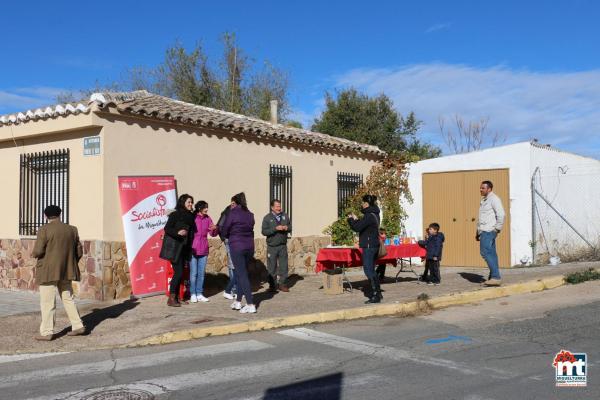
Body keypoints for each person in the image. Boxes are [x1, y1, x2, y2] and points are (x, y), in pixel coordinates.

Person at [31, 205, 86, 340]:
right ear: (60, 214)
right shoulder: (72, 230)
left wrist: (33, 254)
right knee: (68, 298)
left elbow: (38, 251)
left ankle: (47, 332)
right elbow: (79, 252)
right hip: (67, 270)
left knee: (47, 301)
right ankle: (78, 326)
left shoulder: (44, 229)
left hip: (48, 271)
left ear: (46, 216)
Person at [221, 192, 257, 313]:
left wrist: (227, 235)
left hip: (237, 246)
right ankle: (237, 302)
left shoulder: (233, 213)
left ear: (235, 203)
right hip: (249, 246)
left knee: (241, 275)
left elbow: (225, 228)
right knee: (240, 273)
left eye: (232, 203)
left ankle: (250, 304)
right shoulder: (250, 214)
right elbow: (251, 227)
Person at [348, 194, 383, 304]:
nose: (362, 205)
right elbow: (364, 226)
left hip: (369, 246)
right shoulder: (374, 214)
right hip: (373, 245)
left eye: (363, 203)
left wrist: (350, 220)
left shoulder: (368, 216)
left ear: (366, 204)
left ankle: (376, 295)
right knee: (371, 270)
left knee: (368, 270)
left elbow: (357, 227)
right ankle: (378, 293)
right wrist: (357, 219)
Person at [163, 194, 196, 307]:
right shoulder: (175, 214)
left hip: (184, 248)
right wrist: (177, 233)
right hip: (175, 248)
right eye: (189, 202)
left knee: (181, 273)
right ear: (183, 203)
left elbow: (192, 232)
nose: (191, 204)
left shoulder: (190, 216)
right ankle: (171, 298)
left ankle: (177, 297)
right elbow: (167, 228)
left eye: (192, 202)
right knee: (179, 272)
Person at [476, 180, 505, 286]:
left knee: (485, 253)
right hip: (484, 231)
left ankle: (496, 277)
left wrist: (497, 229)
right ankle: (493, 276)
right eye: (480, 187)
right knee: (491, 254)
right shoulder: (485, 200)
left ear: (489, 189)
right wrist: (478, 231)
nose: (481, 189)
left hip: (489, 231)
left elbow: (501, 215)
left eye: (483, 188)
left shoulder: (494, 199)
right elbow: (482, 217)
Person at [261, 199, 292, 292]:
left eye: (280, 206)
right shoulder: (267, 218)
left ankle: (282, 284)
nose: (279, 208)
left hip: (282, 245)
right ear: (272, 207)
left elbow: (290, 227)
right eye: (277, 206)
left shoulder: (285, 216)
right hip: (272, 246)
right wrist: (275, 229)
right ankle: (273, 286)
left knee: (284, 266)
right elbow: (264, 231)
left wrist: (287, 228)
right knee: (272, 267)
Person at [190, 201, 218, 303]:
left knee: (201, 274)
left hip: (204, 249)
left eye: (207, 207)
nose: (207, 209)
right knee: (194, 273)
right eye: (205, 207)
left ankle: (199, 293)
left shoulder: (208, 218)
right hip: (193, 249)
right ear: (199, 208)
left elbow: (212, 233)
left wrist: (215, 229)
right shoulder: (193, 218)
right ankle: (193, 293)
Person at [217, 201, 237, 300]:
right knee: (232, 264)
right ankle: (233, 288)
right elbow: (219, 226)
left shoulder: (238, 212)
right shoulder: (227, 212)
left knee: (233, 264)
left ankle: (234, 288)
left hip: (236, 240)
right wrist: (224, 238)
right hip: (230, 240)